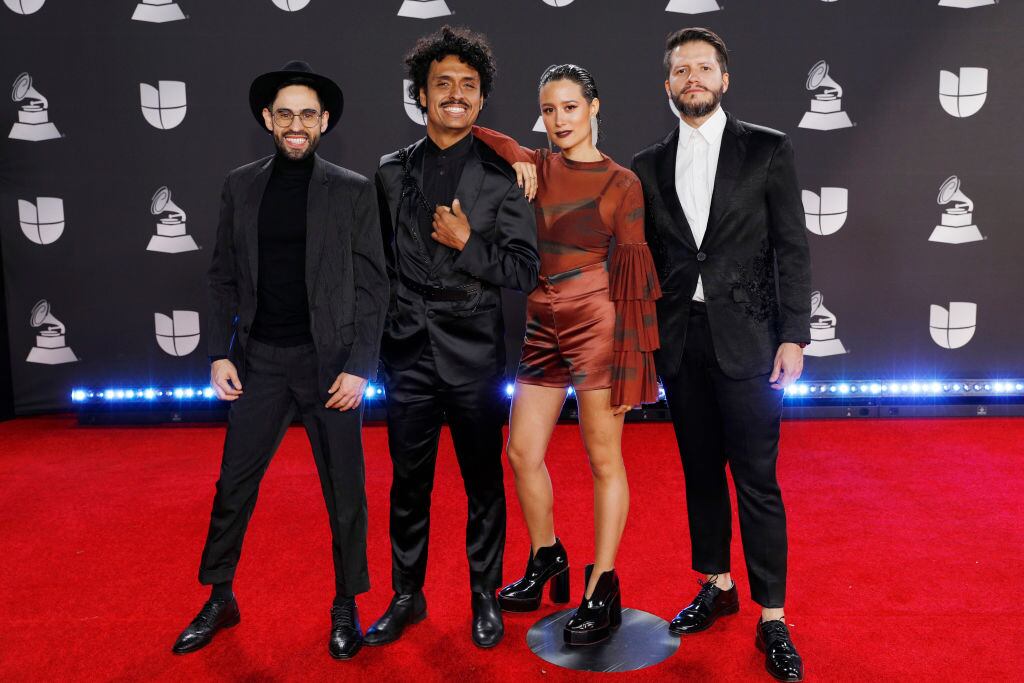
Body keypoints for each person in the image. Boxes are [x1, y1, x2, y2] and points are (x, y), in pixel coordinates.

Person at [171, 61, 388, 661]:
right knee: (233, 486)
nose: (297, 125)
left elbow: (374, 286)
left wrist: (361, 366)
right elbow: (221, 277)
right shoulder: (239, 185)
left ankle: (347, 602)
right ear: (268, 119)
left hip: (332, 366)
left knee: (345, 492)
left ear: (324, 122)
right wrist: (219, 351)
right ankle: (220, 596)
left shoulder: (352, 189)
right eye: (285, 114)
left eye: (308, 115)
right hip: (260, 362)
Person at [630, 28, 810, 681]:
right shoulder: (646, 165)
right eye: (681, 69)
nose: (693, 78)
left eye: (704, 67)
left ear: (724, 78)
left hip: (753, 340)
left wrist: (794, 334)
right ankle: (718, 582)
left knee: (756, 480)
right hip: (681, 340)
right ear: (668, 84)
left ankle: (773, 616)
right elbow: (643, 260)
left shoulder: (768, 149)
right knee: (700, 472)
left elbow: (791, 248)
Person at [473, 63, 661, 646]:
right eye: (549, 110)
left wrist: (635, 362)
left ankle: (602, 587)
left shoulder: (621, 182)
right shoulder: (534, 167)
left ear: (595, 107)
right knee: (522, 452)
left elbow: (632, 278)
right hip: (540, 322)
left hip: (597, 324)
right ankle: (547, 554)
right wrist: (516, 149)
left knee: (603, 460)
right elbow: (474, 131)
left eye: (570, 107)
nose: (559, 120)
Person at [367, 26, 539, 649]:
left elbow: (523, 269)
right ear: (420, 94)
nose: (456, 95)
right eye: (443, 84)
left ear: (482, 100)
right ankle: (406, 596)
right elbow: (375, 266)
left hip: (473, 356)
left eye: (468, 85)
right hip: (406, 353)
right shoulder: (389, 172)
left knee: (481, 483)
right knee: (407, 484)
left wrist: (470, 245)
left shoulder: (505, 177)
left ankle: (483, 596)